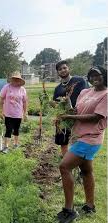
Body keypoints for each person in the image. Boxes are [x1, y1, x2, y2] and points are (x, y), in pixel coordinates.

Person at [56, 66, 107, 223]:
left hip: (91, 138)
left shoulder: (106, 95)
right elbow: (76, 111)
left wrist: (71, 117)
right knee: (86, 171)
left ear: (104, 75)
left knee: (64, 167)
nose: (94, 78)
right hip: (79, 136)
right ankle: (90, 205)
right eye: (91, 76)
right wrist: (64, 110)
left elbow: (96, 117)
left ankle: (69, 210)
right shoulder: (85, 92)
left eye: (97, 75)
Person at [53, 60, 88, 156]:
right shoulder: (58, 88)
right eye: (60, 69)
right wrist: (53, 105)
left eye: (64, 68)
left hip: (78, 116)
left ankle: (78, 162)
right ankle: (66, 160)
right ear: (58, 72)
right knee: (63, 140)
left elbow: (87, 95)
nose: (63, 70)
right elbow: (56, 103)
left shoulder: (79, 80)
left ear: (69, 68)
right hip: (63, 118)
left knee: (77, 140)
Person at [0, 71, 27, 153]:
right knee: (8, 129)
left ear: (20, 80)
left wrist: (25, 113)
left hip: (18, 114)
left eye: (17, 79)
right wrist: (1, 111)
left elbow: (24, 102)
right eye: (14, 79)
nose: (16, 81)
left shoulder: (22, 89)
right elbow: (1, 99)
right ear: (12, 80)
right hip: (8, 114)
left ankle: (15, 144)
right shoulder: (7, 87)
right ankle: (6, 146)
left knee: (16, 130)